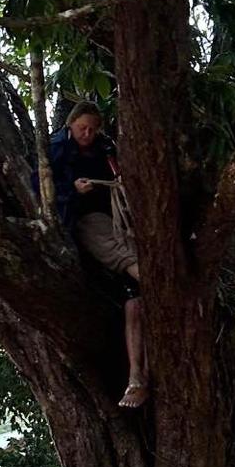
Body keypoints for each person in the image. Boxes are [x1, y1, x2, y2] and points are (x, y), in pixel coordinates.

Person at [45, 101, 147, 409]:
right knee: (129, 265)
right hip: (90, 221)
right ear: (70, 125)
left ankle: (139, 378)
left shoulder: (106, 148)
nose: (87, 134)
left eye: (91, 129)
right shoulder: (57, 148)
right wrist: (72, 190)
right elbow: (44, 187)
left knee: (136, 300)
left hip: (121, 217)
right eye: (81, 129)